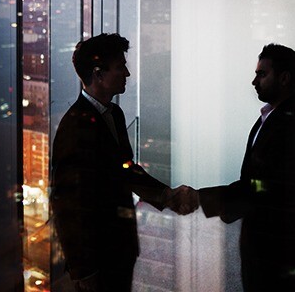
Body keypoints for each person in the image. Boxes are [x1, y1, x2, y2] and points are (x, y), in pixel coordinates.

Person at [51, 33, 197, 292]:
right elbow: (66, 203)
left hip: (119, 248)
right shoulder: (74, 126)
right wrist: (84, 270)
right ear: (98, 74)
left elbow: (125, 169)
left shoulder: (113, 114)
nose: (127, 74)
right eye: (121, 67)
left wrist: (165, 195)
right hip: (97, 258)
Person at [198, 43, 295, 292]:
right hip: (268, 248)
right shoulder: (271, 118)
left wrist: (200, 198)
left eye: (262, 74)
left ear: (284, 78)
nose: (254, 81)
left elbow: (266, 188)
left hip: (280, 252)